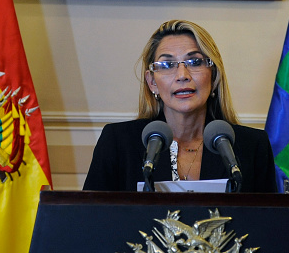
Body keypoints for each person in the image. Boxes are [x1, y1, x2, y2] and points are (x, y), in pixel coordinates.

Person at [83, 20, 277, 193]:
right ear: (152, 82)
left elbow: (268, 225)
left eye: (195, 62)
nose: (182, 74)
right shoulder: (118, 143)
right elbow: (91, 221)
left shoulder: (252, 145)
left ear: (214, 76)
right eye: (167, 65)